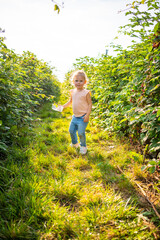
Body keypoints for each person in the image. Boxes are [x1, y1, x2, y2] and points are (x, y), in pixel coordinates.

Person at [61, 70, 92, 155]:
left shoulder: (86, 93)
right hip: (75, 117)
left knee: (81, 133)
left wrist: (87, 115)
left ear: (85, 82)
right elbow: (70, 101)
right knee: (71, 131)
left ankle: (83, 146)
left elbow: (90, 104)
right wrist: (62, 106)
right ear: (73, 81)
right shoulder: (72, 91)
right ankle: (75, 144)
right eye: (76, 81)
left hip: (83, 117)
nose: (78, 83)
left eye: (81, 81)